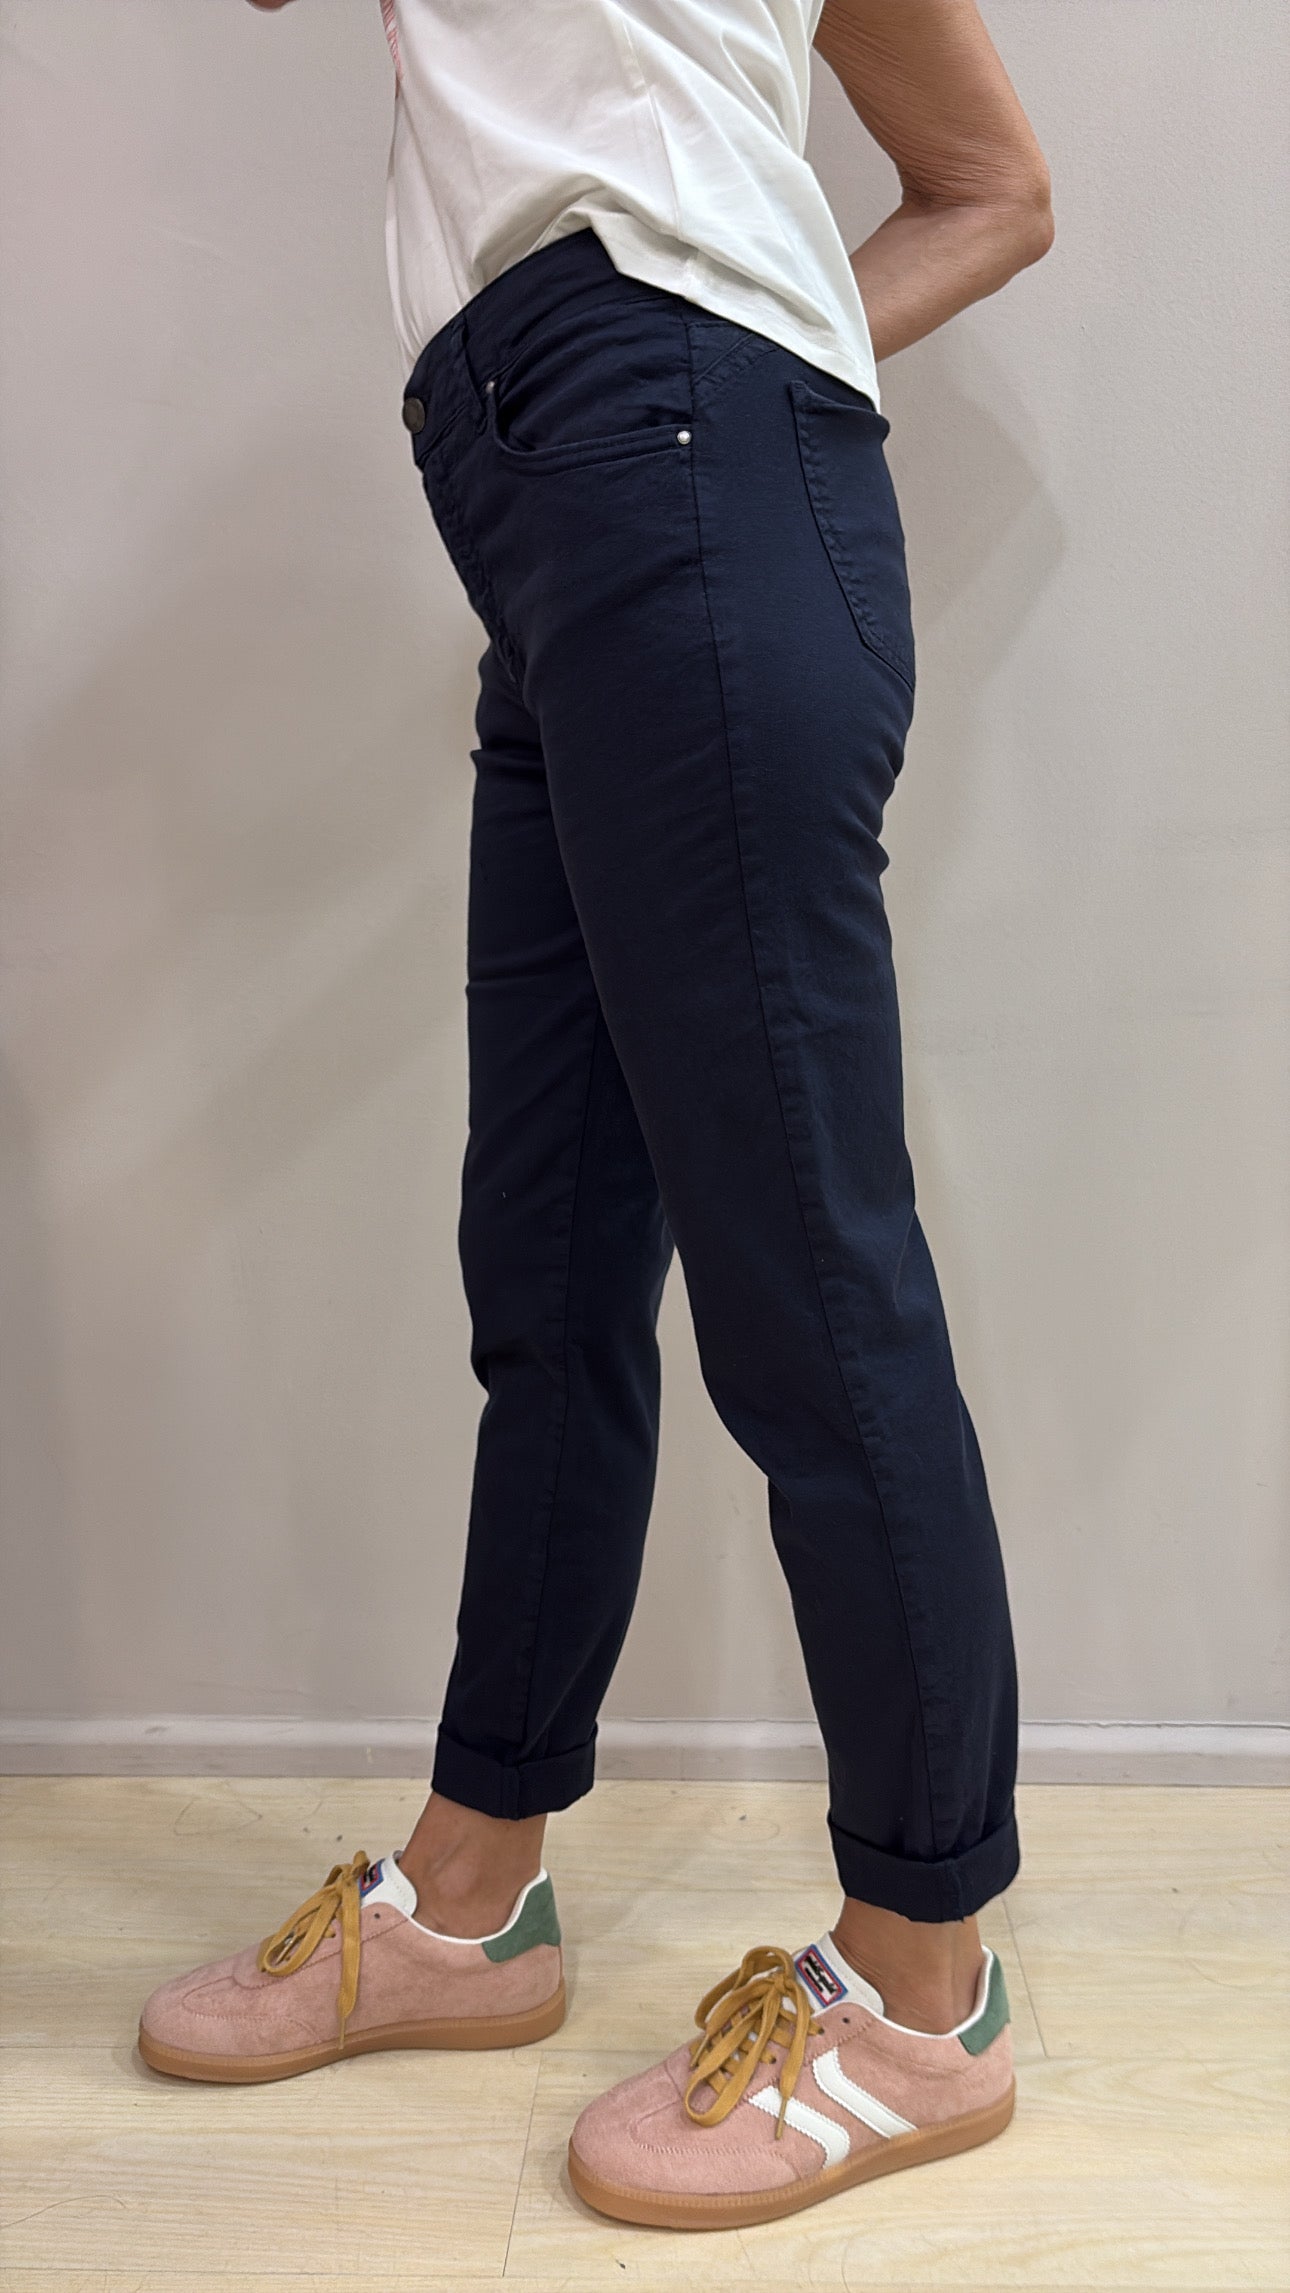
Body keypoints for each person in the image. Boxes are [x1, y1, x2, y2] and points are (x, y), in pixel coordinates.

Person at [138, 0, 1052, 2232]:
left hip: (677, 459)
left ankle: (924, 1984)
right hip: (559, 496)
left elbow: (996, 192)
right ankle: (474, 1898)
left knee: (803, 1275)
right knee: (545, 1268)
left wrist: (748, 350)